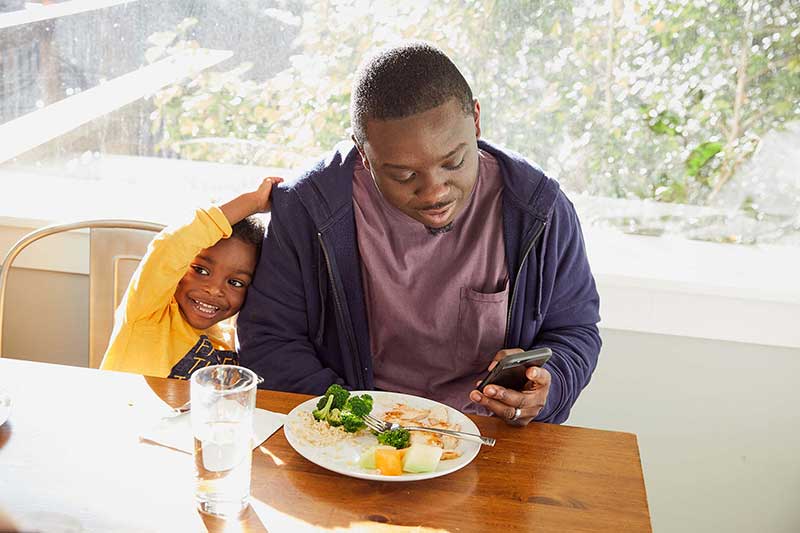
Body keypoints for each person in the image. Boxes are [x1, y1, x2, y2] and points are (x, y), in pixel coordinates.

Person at [238, 41, 601, 425]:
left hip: (489, 437)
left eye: (454, 162)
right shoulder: (308, 208)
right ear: (363, 151)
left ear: (476, 120)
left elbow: (574, 329)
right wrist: (359, 422)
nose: (434, 192)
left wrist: (550, 385)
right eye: (403, 175)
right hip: (351, 434)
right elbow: (270, 340)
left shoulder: (538, 208)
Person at [100, 177, 282, 379]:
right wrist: (253, 202)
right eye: (201, 270)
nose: (214, 290)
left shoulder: (231, 340)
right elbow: (175, 243)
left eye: (235, 283)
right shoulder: (148, 314)